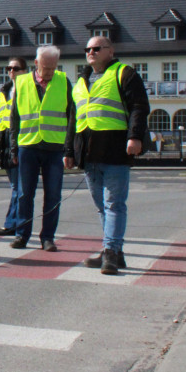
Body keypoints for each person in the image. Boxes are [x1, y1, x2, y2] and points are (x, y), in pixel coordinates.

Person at [73, 37, 150, 274]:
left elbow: (139, 106)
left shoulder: (123, 73)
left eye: (97, 48)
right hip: (88, 153)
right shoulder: (81, 81)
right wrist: (69, 150)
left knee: (114, 204)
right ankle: (115, 251)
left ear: (110, 51)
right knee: (101, 206)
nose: (91, 52)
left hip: (116, 150)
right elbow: (73, 119)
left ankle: (111, 253)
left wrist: (134, 136)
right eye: (88, 49)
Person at [8, 45, 75, 251]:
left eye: (53, 68)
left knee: (53, 195)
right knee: (24, 194)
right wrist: (13, 149)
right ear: (36, 64)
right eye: (46, 68)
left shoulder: (63, 81)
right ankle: (22, 235)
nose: (49, 72)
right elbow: (14, 117)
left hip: (54, 147)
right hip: (27, 146)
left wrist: (69, 148)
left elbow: (72, 116)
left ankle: (48, 237)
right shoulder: (22, 82)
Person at [0, 57, 29, 236]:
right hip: (5, 141)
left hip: (21, 140)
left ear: (25, 71)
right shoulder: (5, 90)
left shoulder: (28, 89)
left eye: (16, 68)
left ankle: (13, 223)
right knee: (15, 186)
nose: (11, 71)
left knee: (19, 187)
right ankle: (14, 223)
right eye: (9, 68)